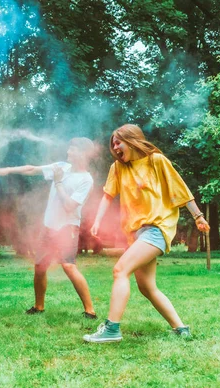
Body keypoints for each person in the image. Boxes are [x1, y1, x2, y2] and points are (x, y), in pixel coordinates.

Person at [83, 124, 210, 344]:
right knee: (147, 287)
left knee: (120, 270)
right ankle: (181, 329)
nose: (114, 147)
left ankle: (112, 329)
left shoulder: (156, 161)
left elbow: (181, 190)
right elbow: (107, 195)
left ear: (132, 140)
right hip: (136, 234)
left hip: (156, 229)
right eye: (113, 144)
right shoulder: (118, 167)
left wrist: (198, 216)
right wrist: (97, 221)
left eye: (118, 142)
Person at [0, 137, 98, 319]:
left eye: (72, 150)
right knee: (40, 266)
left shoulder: (86, 179)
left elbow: (70, 206)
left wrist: (58, 182)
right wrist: (8, 170)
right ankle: (39, 306)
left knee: (68, 266)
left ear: (83, 154)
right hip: (49, 226)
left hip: (67, 228)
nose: (68, 152)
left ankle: (90, 310)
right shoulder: (62, 167)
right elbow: (32, 169)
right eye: (69, 148)